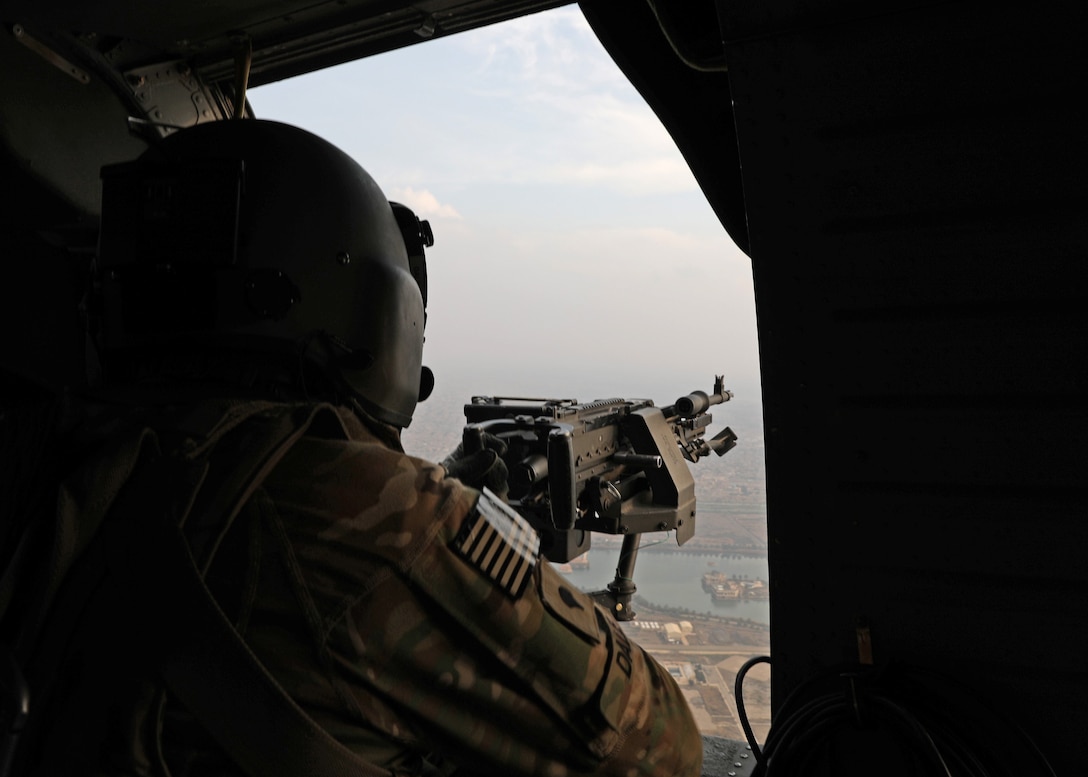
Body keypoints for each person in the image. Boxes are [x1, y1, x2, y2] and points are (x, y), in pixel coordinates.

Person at [38, 119, 703, 777]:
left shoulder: (51, 450)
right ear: (375, 315)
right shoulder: (390, 519)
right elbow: (660, 746)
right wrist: (475, 527)